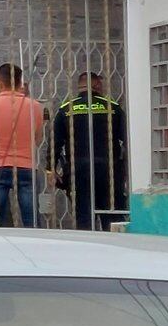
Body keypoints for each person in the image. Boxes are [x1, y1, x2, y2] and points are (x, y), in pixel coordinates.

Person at [53, 72, 129, 230]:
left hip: (78, 170)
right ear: (97, 86)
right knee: (111, 213)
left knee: (84, 216)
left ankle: (88, 247)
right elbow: (127, 138)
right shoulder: (112, 107)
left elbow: (56, 142)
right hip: (109, 169)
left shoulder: (66, 108)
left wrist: (50, 168)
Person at [0, 62, 46, 230]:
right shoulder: (35, 106)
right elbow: (38, 138)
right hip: (26, 166)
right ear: (19, 82)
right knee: (31, 217)